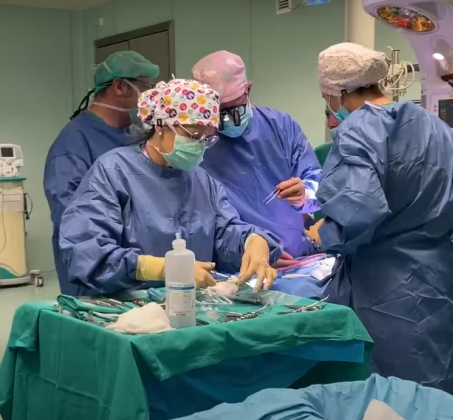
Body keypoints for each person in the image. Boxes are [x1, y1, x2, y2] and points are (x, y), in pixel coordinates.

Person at [314, 42, 453, 397]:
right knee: (435, 383)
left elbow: (359, 210)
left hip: (383, 287)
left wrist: (325, 231)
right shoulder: (434, 125)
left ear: (336, 91)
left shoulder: (358, 130)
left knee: (389, 394)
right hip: (434, 277)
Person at [59, 79, 282, 297]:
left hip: (190, 307)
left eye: (206, 139)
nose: (199, 146)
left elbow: (225, 234)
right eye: (193, 135)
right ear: (160, 125)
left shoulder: (203, 182)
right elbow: (85, 253)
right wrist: (163, 269)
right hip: (126, 311)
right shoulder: (113, 172)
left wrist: (252, 241)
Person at [45, 51, 159, 295]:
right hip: (96, 278)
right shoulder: (73, 145)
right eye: (145, 86)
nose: (150, 95)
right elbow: (74, 223)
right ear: (120, 86)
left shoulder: (137, 135)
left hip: (143, 272)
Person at [191, 51, 322, 262]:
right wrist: (252, 251)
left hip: (295, 258)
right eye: (217, 113)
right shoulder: (198, 142)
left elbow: (320, 186)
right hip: (238, 263)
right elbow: (201, 219)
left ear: (248, 89)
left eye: (233, 109)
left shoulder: (280, 127)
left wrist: (304, 195)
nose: (226, 120)